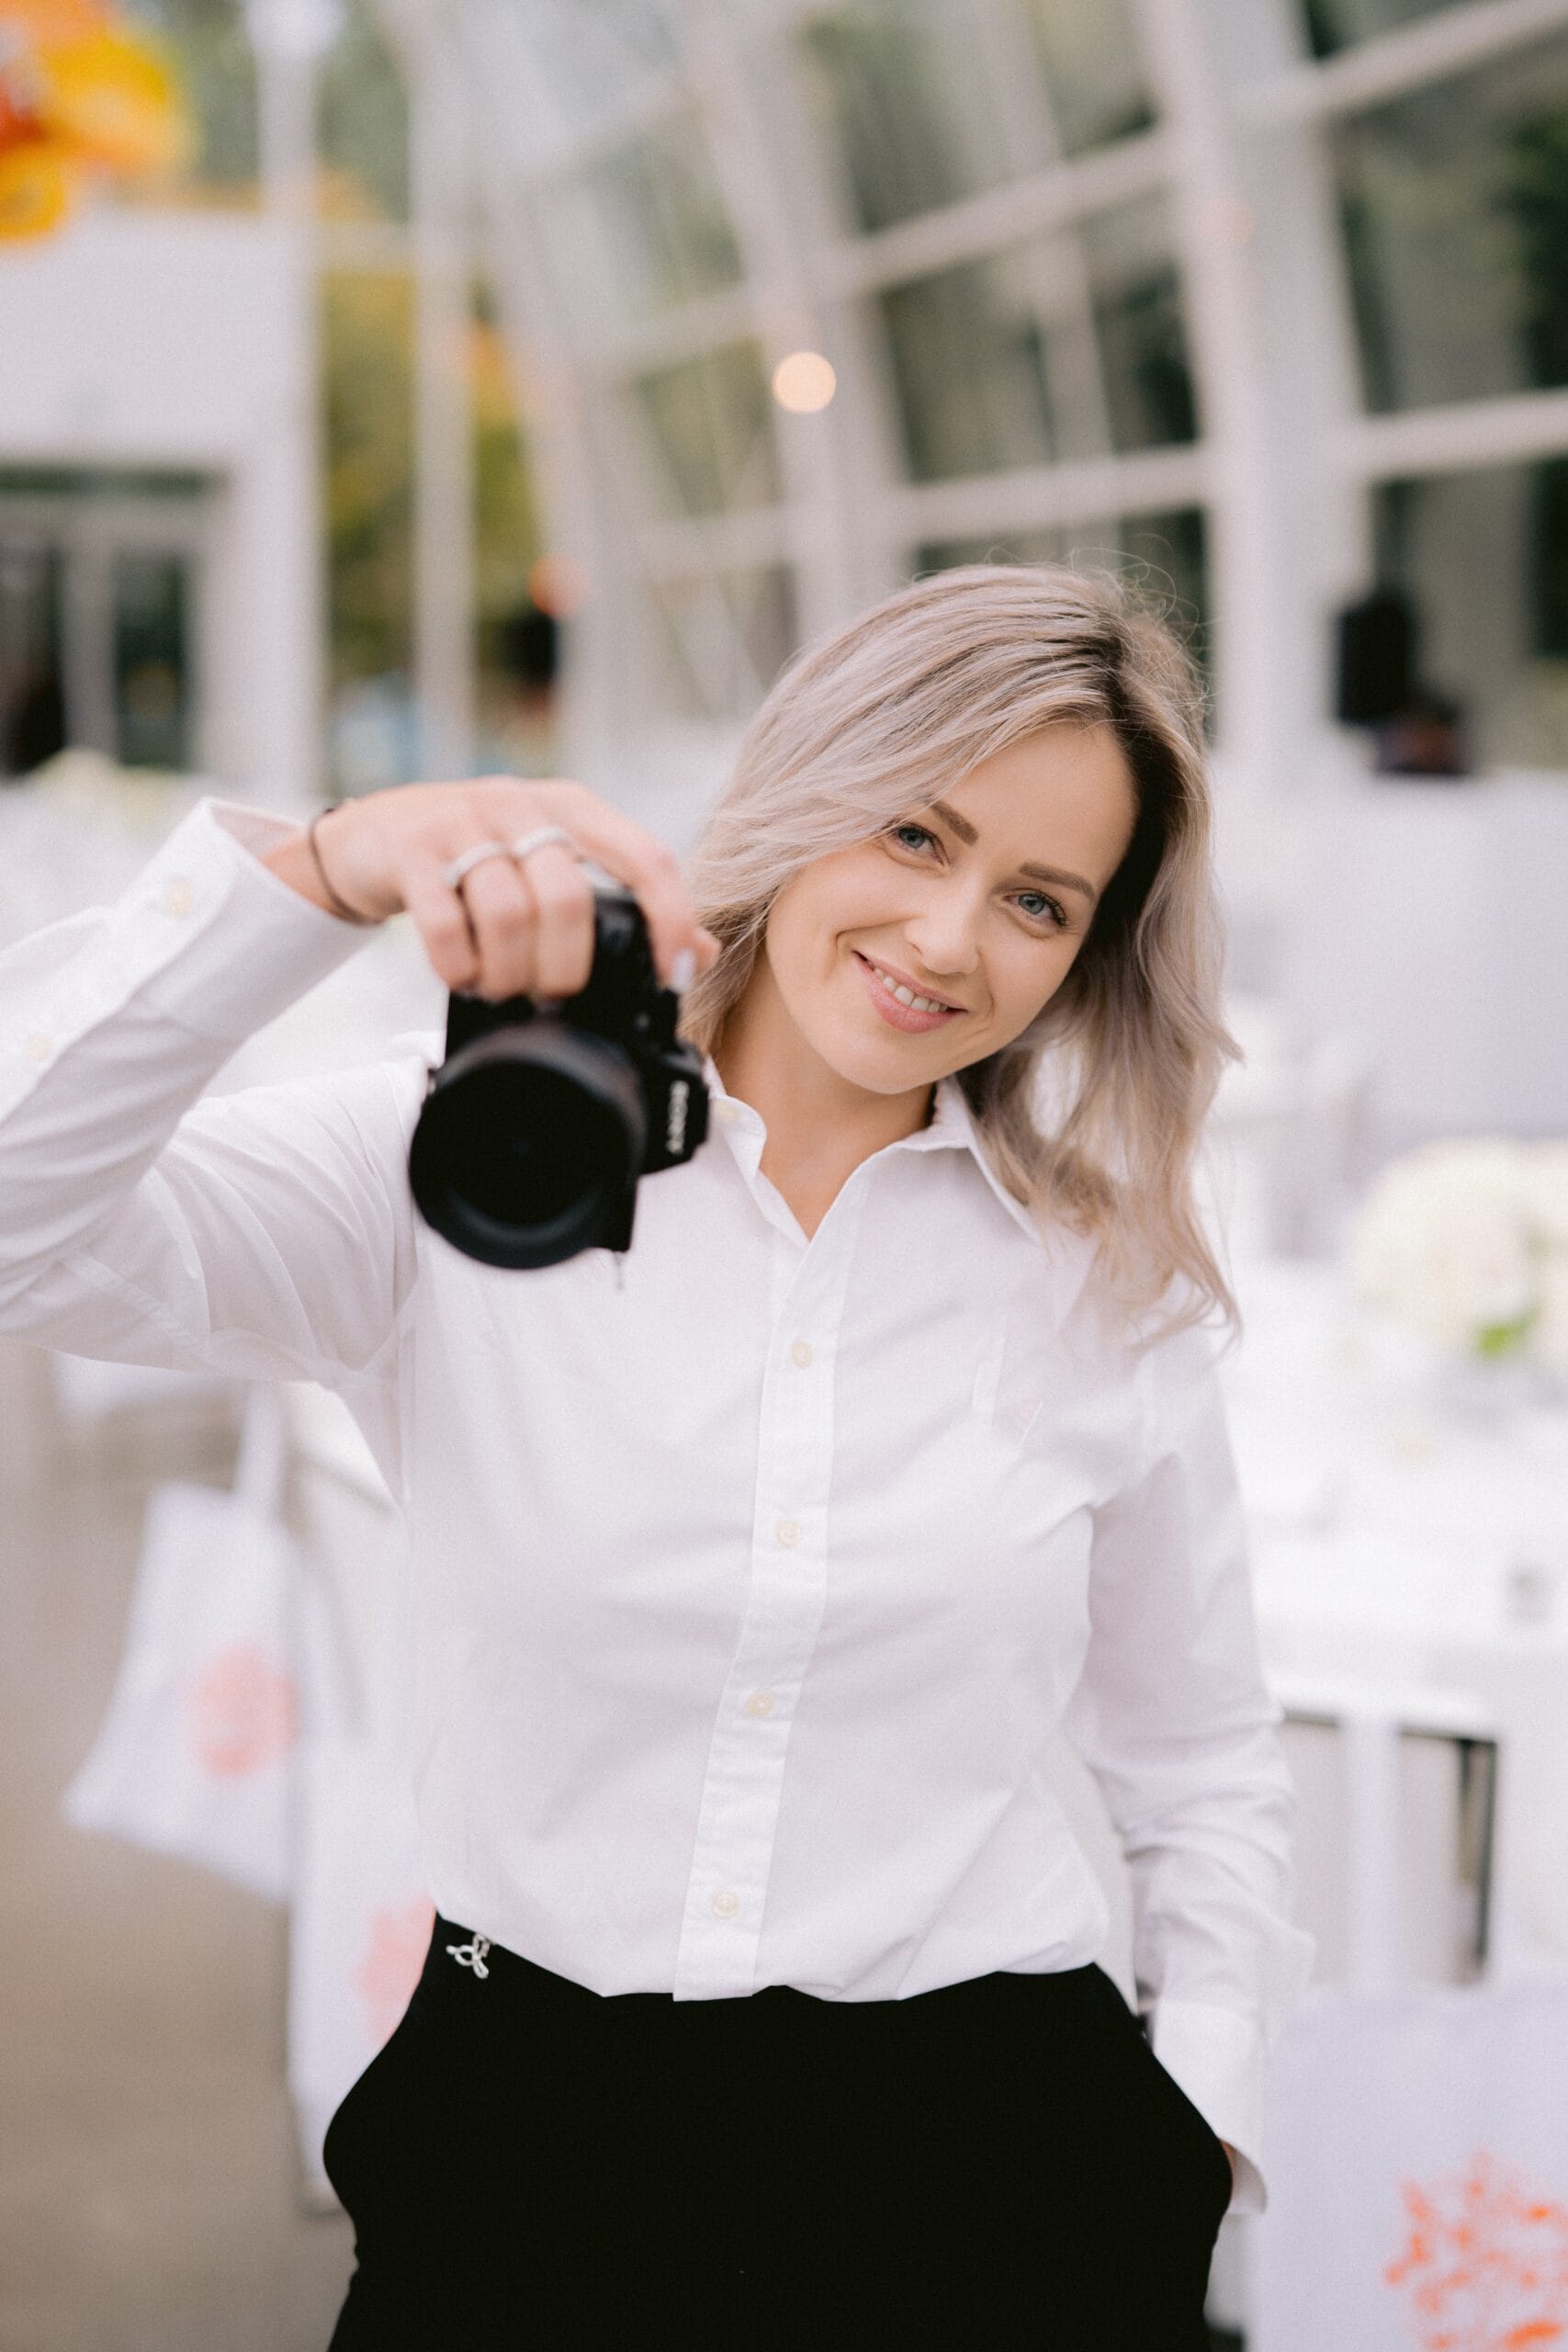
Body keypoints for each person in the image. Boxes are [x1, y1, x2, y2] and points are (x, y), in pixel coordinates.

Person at [0, 562, 1314, 2348]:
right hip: (534, 2133)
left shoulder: (1099, 1278)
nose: (948, 938)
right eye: (913, 834)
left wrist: (1198, 2119)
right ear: (798, 799)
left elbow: (1199, 1753)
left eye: (1034, 896)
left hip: (1000, 2158)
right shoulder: (455, 1161)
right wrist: (317, 872)